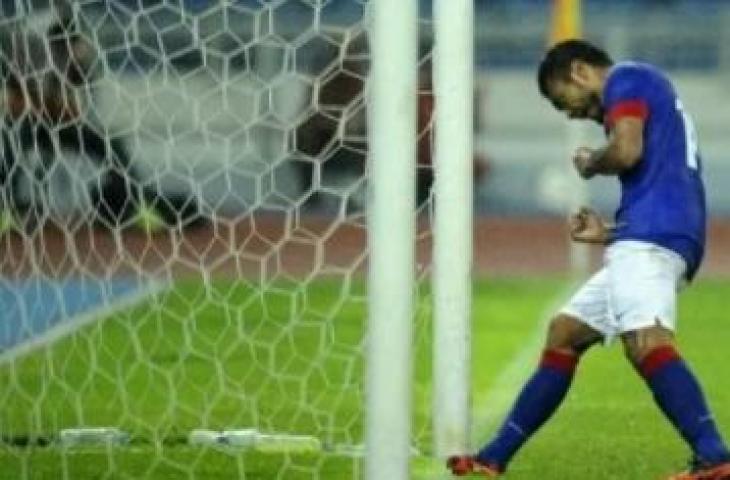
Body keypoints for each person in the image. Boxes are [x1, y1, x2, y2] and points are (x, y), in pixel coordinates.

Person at [447, 39, 730, 480]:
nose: (570, 114)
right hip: (655, 233)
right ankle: (493, 457)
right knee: (564, 333)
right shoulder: (644, 88)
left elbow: (626, 152)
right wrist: (608, 233)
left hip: (653, 240)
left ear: (580, 71)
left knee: (647, 343)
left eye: (565, 100)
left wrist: (589, 163)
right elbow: (655, 173)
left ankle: (715, 457)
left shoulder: (627, 79)